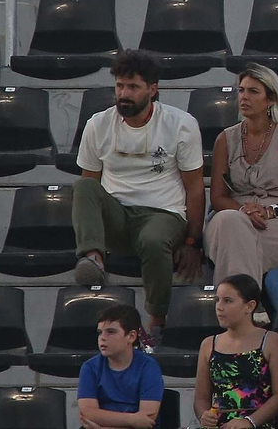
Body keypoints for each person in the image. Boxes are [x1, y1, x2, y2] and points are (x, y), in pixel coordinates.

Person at [73, 50, 204, 340]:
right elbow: (90, 184)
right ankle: (93, 258)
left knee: (153, 240)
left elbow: (195, 187)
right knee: (83, 188)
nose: (124, 93)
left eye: (133, 87)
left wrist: (193, 241)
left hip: (163, 213)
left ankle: (157, 319)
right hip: (117, 215)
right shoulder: (98, 124)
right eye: (120, 86)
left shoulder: (181, 124)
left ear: (152, 90)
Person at [206, 64, 278, 290]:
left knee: (235, 247)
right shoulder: (225, 139)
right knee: (230, 223)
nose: (244, 97)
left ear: (271, 99)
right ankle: (249, 305)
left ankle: (234, 306)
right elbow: (217, 197)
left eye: (253, 91)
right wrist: (243, 211)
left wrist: (270, 210)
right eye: (242, 90)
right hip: (233, 213)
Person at [194, 275, 278, 429]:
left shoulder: (271, 341)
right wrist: (203, 415)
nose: (219, 307)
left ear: (250, 306)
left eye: (228, 301)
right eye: (217, 300)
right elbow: (201, 398)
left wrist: (249, 421)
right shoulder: (208, 344)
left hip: (257, 423)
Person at [77, 304, 165, 429]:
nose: (102, 338)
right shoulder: (89, 367)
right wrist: (133, 419)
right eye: (99, 333)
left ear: (131, 336)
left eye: (111, 332)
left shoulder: (148, 367)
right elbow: (89, 414)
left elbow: (147, 420)